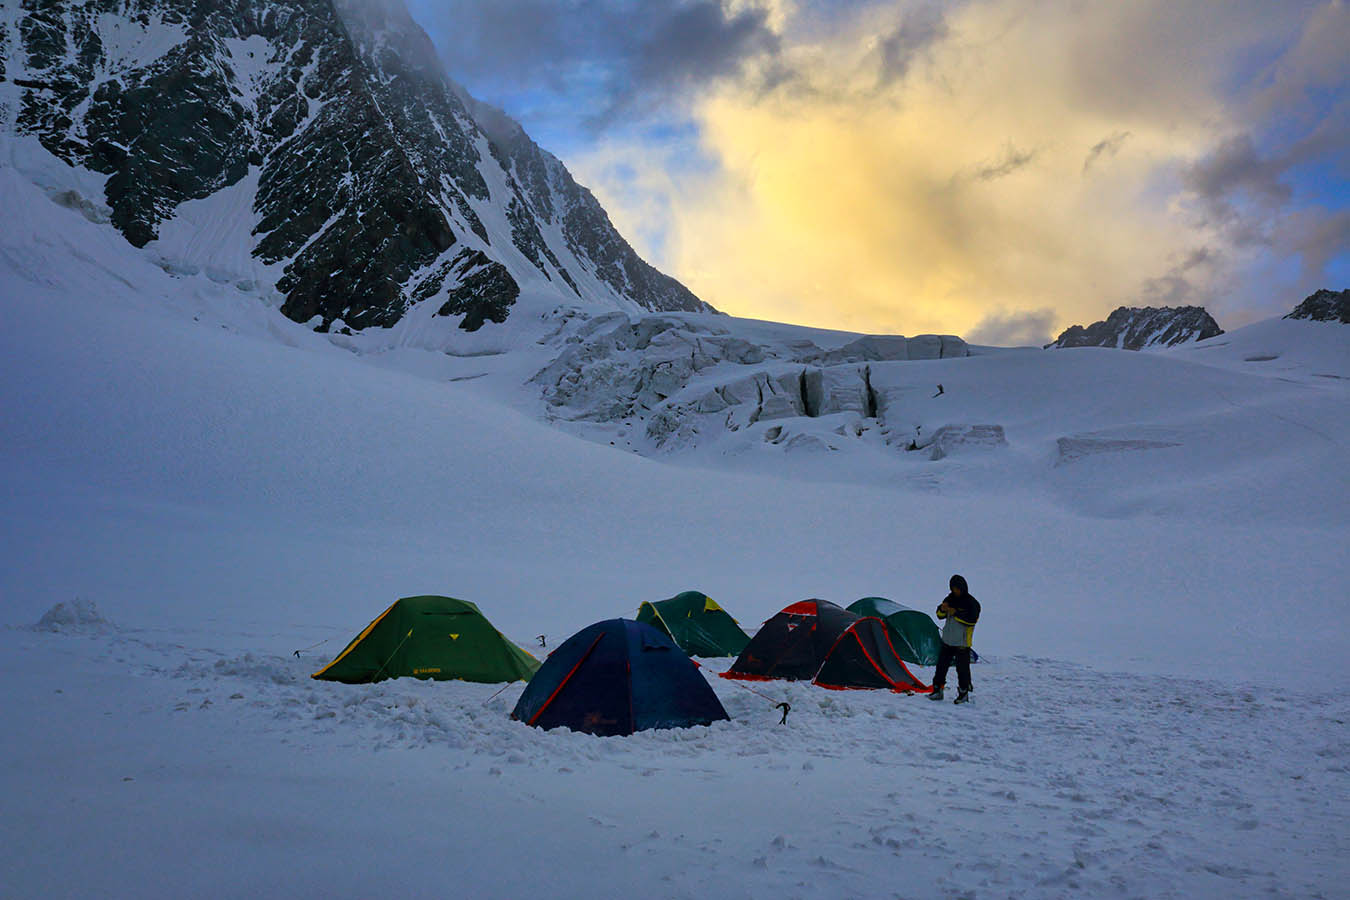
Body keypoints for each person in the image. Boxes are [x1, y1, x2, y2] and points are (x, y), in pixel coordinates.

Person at [930, 574, 980, 703]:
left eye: (957, 588)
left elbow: (972, 620)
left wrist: (955, 613)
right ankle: (937, 691)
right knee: (941, 667)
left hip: (962, 642)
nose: (955, 591)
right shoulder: (949, 598)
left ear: (963, 588)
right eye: (953, 588)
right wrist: (942, 609)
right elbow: (939, 615)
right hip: (947, 640)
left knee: (962, 669)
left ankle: (963, 693)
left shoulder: (971, 603)